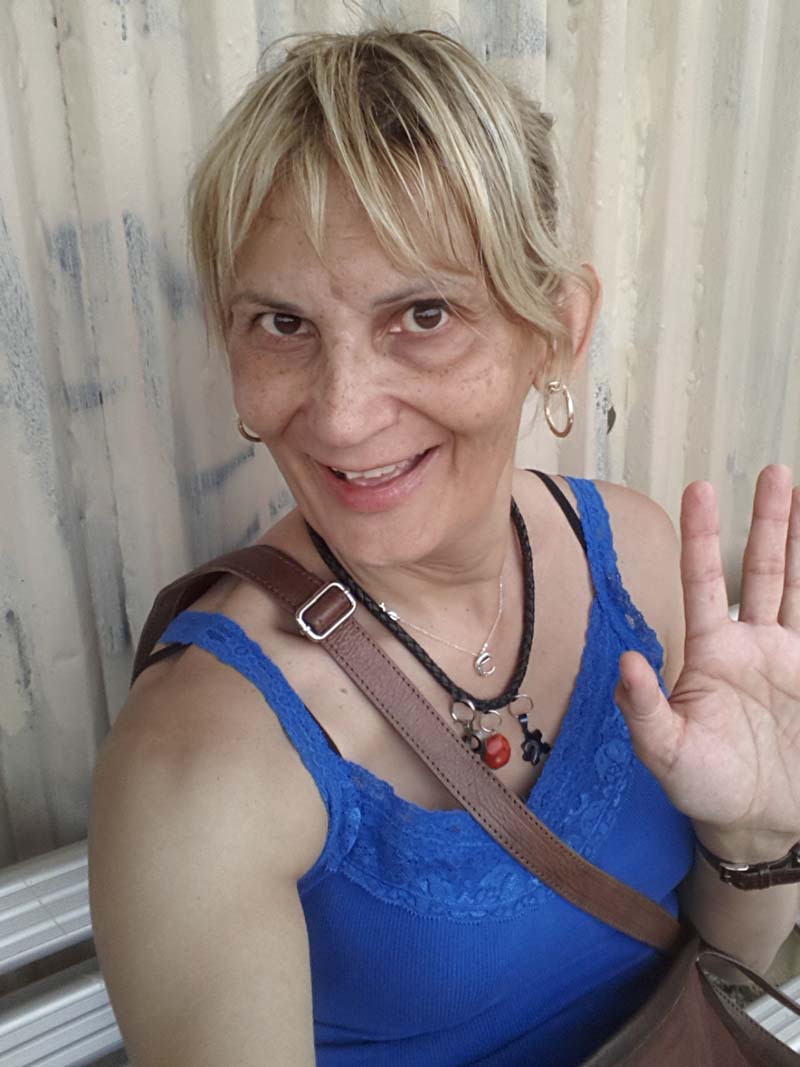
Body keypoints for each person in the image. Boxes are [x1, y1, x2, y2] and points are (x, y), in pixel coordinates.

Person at [87, 27, 800, 1067]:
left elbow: (715, 978)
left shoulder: (636, 560)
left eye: (423, 314)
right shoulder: (205, 758)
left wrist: (757, 840)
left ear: (556, 330)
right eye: (281, 323)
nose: (342, 414)